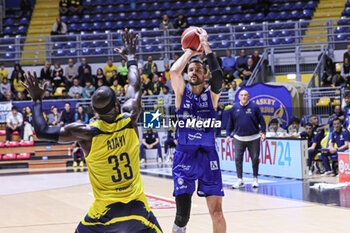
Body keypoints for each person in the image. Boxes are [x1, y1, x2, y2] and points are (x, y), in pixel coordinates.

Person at [22, 29, 162, 233]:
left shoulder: (86, 134)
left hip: (104, 213)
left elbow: (42, 132)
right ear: (116, 106)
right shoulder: (130, 116)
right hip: (138, 208)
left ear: (94, 111)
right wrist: (130, 57)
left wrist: (36, 100)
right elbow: (135, 84)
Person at [170, 27, 226, 233]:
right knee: (183, 216)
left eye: (198, 70)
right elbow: (174, 71)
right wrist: (190, 52)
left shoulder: (211, 96)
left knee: (217, 213)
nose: (194, 72)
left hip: (208, 157)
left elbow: (219, 77)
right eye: (191, 70)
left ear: (204, 75)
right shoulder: (180, 93)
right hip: (184, 157)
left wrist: (206, 45)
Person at [226, 89, 266, 189]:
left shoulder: (254, 107)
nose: (243, 97)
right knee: (238, 159)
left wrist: (264, 133)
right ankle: (240, 180)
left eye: (245, 95)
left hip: (254, 138)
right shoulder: (234, 108)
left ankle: (255, 180)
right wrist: (228, 135)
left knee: (255, 159)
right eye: (242, 95)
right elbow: (230, 122)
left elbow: (262, 121)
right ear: (239, 97)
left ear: (248, 97)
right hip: (238, 138)